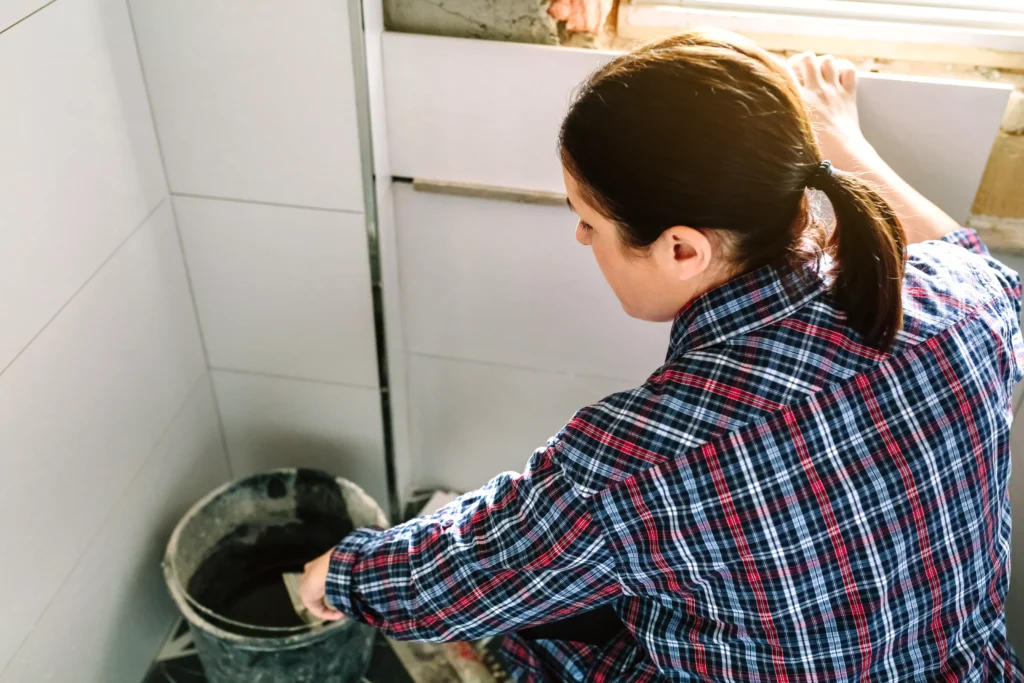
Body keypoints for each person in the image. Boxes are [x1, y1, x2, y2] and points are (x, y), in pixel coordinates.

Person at [299, 30, 1024, 681]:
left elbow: (469, 571)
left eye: (589, 221)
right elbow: (963, 255)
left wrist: (343, 575)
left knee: (535, 615)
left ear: (682, 249)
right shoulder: (966, 310)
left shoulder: (643, 461)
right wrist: (838, 140)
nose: (581, 239)